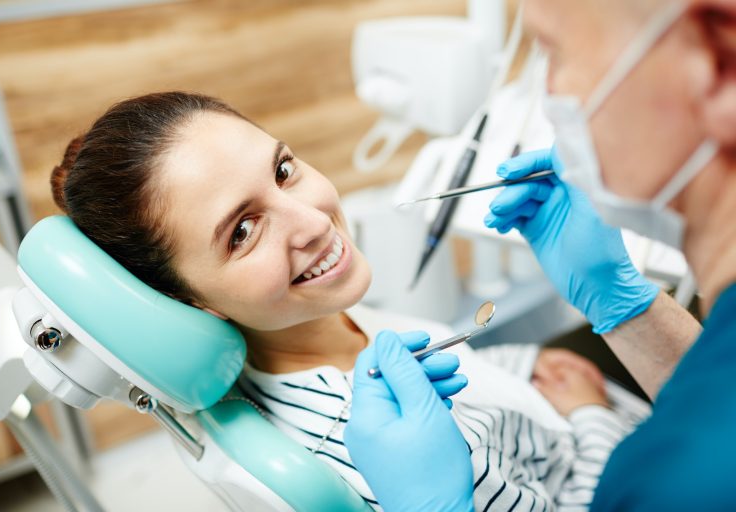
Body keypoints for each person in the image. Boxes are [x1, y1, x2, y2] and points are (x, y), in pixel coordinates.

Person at [49, 92, 644, 511]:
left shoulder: (313, 320)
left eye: (283, 171)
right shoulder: (367, 442)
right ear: (188, 301)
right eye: (242, 231)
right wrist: (588, 414)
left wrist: (522, 367)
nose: (312, 220)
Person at [344, 0, 736, 510]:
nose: (547, 95)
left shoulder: (674, 484)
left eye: (552, 51)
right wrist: (620, 303)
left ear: (722, 63)